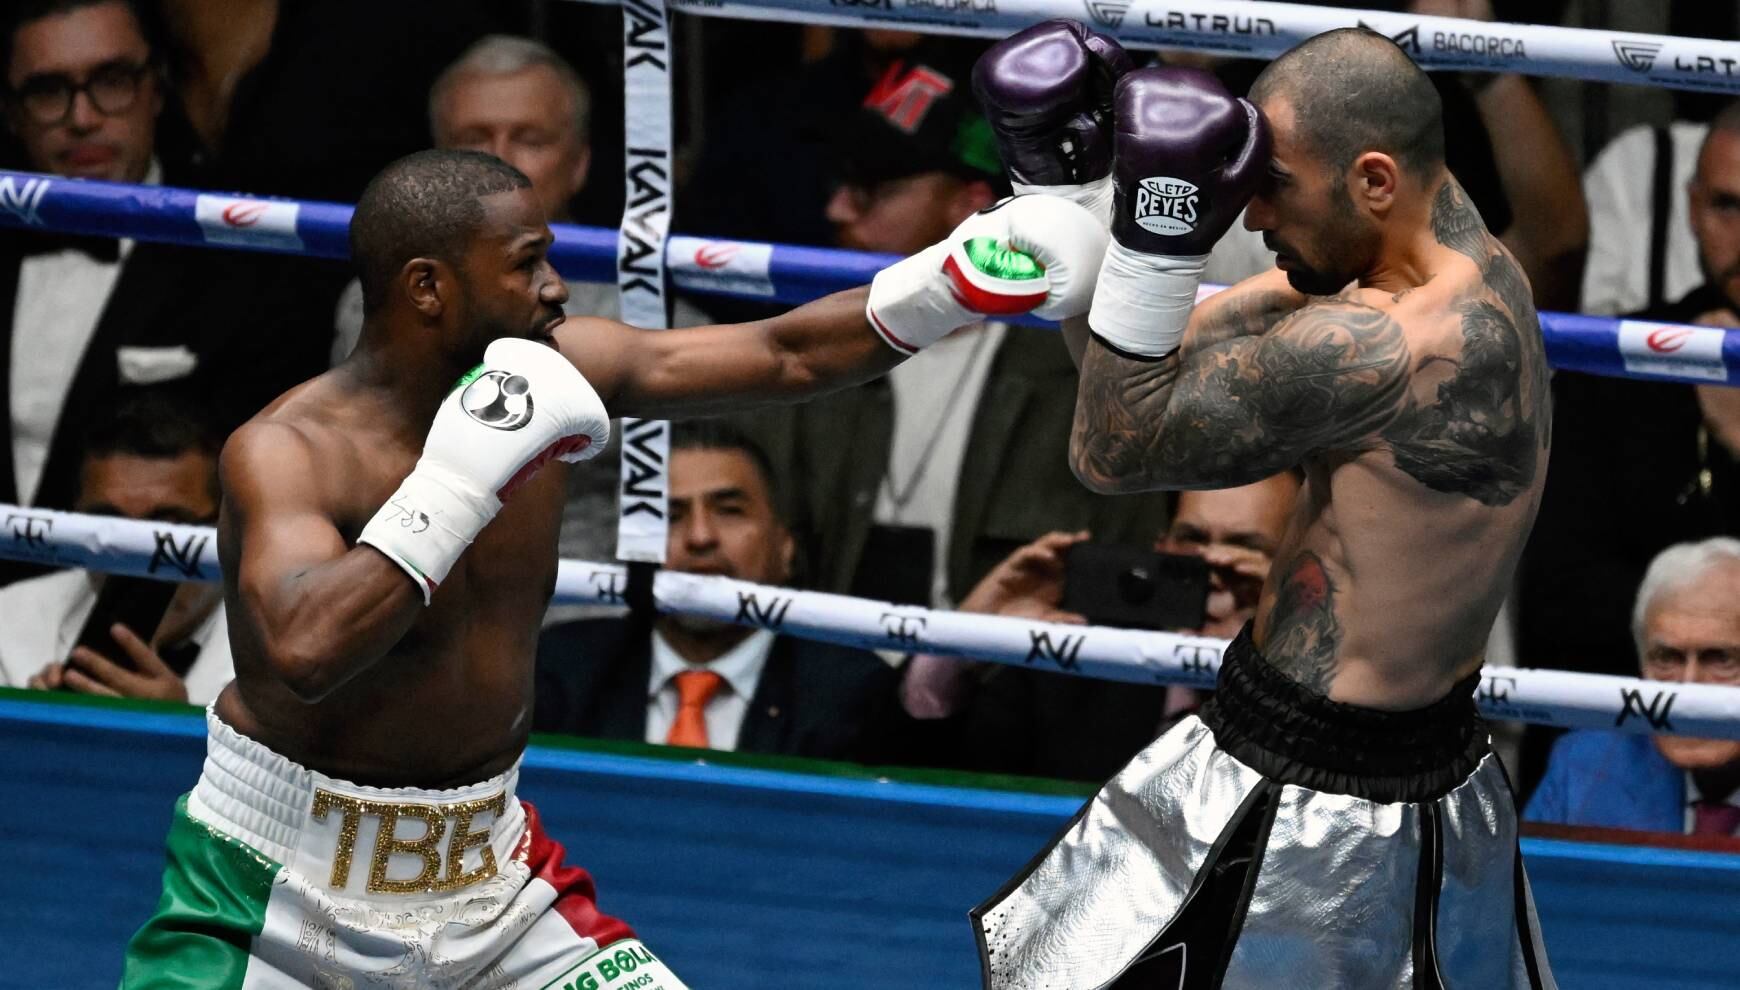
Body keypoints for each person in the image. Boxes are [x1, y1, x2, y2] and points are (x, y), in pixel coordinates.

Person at [117, 149, 1107, 987]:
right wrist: (458, 478)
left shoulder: (560, 366)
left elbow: (783, 355)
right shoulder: (289, 450)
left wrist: (947, 284)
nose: (556, 286)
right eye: (527, 264)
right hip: (275, 885)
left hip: (486, 881)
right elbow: (301, 649)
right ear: (428, 287)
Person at [969, 23, 1554, 987]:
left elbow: (1111, 449)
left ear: (1374, 180)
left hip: (1325, 797)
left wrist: (1154, 231)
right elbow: (1144, 359)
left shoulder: (1393, 346)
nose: (1251, 213)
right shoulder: (1442, 263)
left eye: (1272, 183)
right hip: (1368, 747)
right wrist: (1078, 199)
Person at [748, 70, 1165, 616]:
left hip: (1002, 661)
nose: (838, 210)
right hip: (825, 653)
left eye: (871, 192)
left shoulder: (1075, 372)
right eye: (839, 186)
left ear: (968, 206)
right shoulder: (809, 349)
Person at [331, 34, 710, 575]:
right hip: (409, 586)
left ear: (579, 164)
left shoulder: (653, 318)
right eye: (473, 139)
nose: (498, 161)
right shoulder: (375, 297)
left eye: (530, 139)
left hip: (590, 603)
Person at [0, 0, 324, 585]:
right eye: (49, 91)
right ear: (12, 112)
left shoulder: (243, 264)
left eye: (112, 80)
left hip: (164, 613)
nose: (82, 117)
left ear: (157, 88)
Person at [1519, 102, 1740, 687]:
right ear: (1692, 208)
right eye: (1727, 205)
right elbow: (1555, 607)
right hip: (1629, 715)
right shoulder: (1615, 363)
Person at [534, 421, 906, 761]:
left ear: (785, 547)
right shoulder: (558, 671)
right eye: (671, 516)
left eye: (729, 511)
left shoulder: (852, 692)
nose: (700, 537)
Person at [903, 471, 1299, 781]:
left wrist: (1276, 649)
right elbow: (912, 767)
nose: (1212, 568)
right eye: (1191, 540)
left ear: (1297, 566)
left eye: (1245, 548)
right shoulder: (1074, 666)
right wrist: (963, 640)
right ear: (1161, 547)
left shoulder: (1322, 689)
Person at [1, 390, 231, 703]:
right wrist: (30, 724)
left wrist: (175, 726)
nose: (135, 561)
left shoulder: (284, 647)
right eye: (107, 526)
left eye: (168, 528)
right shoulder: (8, 619)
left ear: (228, 524)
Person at [1526, 538, 1740, 836]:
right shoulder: (1584, 767)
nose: (1689, 687)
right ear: (1642, 667)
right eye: (1667, 658)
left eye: (1721, 658)